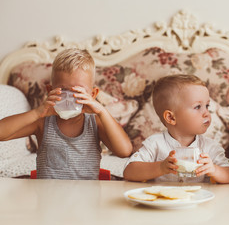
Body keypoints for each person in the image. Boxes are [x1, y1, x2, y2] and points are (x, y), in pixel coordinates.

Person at [0, 48, 132, 179]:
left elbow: (124, 151)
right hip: (49, 196)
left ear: (92, 94)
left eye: (78, 92)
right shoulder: (42, 121)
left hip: (86, 197)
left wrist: (102, 111)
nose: (70, 98)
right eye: (63, 91)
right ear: (50, 91)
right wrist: (36, 113)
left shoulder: (94, 122)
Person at [123, 74, 229, 183]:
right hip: (163, 200)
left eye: (207, 106)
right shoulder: (155, 144)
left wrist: (214, 170)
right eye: (197, 107)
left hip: (199, 200)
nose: (207, 113)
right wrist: (160, 167)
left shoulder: (210, 147)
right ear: (171, 117)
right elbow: (129, 171)